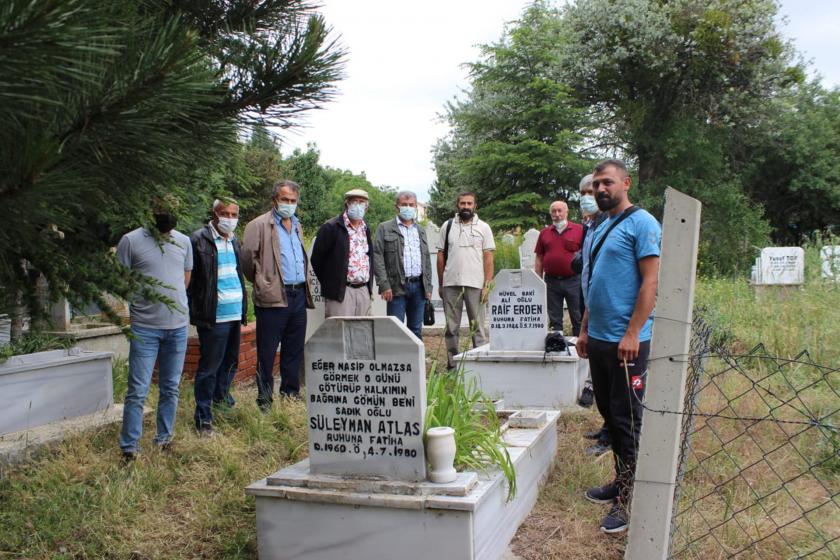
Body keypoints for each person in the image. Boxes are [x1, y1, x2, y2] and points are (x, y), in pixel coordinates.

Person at [575, 159, 661, 534]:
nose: (600, 190)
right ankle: (620, 481)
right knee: (610, 415)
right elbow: (594, 282)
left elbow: (650, 283)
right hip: (598, 338)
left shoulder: (642, 223)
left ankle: (629, 498)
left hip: (628, 343)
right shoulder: (599, 225)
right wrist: (583, 329)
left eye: (607, 183)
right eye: (596, 185)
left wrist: (633, 332)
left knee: (627, 421)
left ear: (626, 183)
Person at [116, 200, 192, 460]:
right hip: (145, 328)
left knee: (171, 387)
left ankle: (164, 438)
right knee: (138, 389)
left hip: (178, 327)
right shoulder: (130, 241)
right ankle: (130, 448)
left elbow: (185, 277)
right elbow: (121, 279)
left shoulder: (183, 241)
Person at [242, 180, 314, 410]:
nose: (289, 204)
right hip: (273, 297)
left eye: (293, 201)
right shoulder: (259, 225)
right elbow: (246, 260)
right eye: (285, 200)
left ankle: (290, 394)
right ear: (275, 200)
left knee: (294, 349)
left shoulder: (297, 224)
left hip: (298, 294)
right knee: (267, 350)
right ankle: (264, 400)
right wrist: (263, 282)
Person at [187, 198, 248, 436]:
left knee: (230, 362)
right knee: (209, 367)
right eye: (225, 213)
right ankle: (203, 418)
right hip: (214, 315)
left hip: (234, 313)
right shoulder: (199, 240)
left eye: (234, 214)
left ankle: (221, 402)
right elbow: (191, 279)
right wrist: (196, 307)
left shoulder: (235, 240)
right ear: (214, 214)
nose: (230, 219)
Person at [437, 192, 495, 370]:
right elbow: (440, 256)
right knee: (451, 328)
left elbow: (488, 258)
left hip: (476, 284)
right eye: (463, 203)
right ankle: (452, 365)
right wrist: (441, 283)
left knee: (477, 327)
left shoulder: (484, 227)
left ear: (475, 206)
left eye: (469, 203)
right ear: (457, 205)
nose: (466, 207)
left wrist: (487, 284)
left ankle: (479, 364)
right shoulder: (447, 226)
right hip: (451, 283)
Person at [578, 173, 612, 455]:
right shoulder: (589, 226)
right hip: (592, 305)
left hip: (606, 310)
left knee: (611, 380)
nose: (587, 197)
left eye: (591, 191)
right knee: (599, 376)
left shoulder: (607, 225)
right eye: (583, 192)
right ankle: (606, 427)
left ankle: (610, 435)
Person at [372, 191, 433, 339]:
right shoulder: (385, 228)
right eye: (404, 205)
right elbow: (377, 256)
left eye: (411, 205)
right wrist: (384, 285)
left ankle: (414, 362)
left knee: (416, 329)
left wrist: (428, 287)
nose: (408, 207)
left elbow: (426, 259)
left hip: (418, 286)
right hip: (395, 287)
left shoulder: (420, 230)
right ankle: (396, 361)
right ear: (397, 207)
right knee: (395, 330)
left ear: (415, 207)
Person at [310, 189, 373, 318]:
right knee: (339, 334)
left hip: (363, 290)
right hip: (341, 292)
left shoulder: (366, 229)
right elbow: (317, 260)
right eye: (354, 202)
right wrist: (332, 282)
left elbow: (369, 256)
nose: (358, 205)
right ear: (346, 204)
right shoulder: (331, 227)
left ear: (366, 208)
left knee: (361, 333)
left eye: (361, 202)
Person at [534, 200, 584, 335]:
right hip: (551, 281)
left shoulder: (579, 230)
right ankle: (558, 345)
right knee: (555, 318)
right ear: (551, 214)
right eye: (554, 212)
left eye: (559, 210)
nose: (557, 214)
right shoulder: (544, 233)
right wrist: (538, 280)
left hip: (574, 280)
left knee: (577, 315)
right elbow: (539, 257)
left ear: (567, 212)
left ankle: (579, 346)